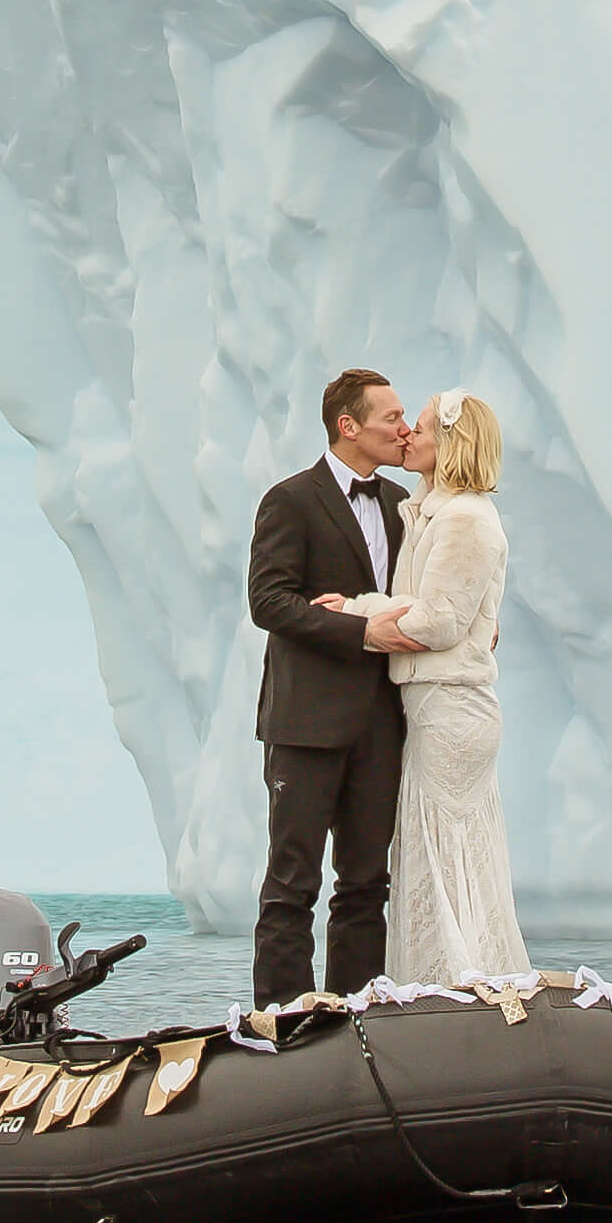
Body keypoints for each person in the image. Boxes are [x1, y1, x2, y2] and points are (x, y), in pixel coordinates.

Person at [248, 369, 417, 1005]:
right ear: (349, 426)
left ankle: (357, 1019)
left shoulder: (402, 506)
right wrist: (362, 630)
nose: (404, 430)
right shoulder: (290, 499)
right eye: (391, 418)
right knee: (292, 881)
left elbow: (418, 601)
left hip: (382, 723)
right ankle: (282, 1023)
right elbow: (269, 602)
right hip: (306, 723)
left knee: (368, 882)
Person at [371, 385, 527, 985]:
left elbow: (440, 620)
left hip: (452, 712)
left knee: (446, 853)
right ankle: (450, 982)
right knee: (441, 853)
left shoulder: (464, 519)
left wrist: (357, 621)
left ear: (453, 444)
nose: (411, 433)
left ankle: (458, 985)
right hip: (434, 708)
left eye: (427, 427)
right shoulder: (435, 512)